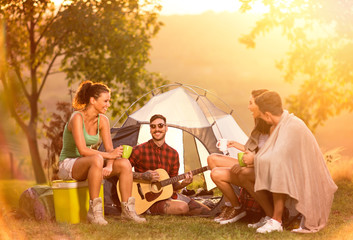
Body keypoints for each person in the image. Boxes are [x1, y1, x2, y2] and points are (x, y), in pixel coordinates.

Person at [58, 80, 146, 225]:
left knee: (124, 163)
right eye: (105, 101)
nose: (108, 104)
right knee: (97, 158)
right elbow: (83, 150)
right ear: (92, 100)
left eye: (109, 101)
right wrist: (107, 156)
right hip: (69, 165)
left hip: (92, 164)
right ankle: (95, 213)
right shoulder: (77, 117)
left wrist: (110, 165)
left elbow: (110, 149)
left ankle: (128, 211)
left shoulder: (103, 120)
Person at [249, 91, 338, 233]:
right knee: (273, 167)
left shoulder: (292, 126)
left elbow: (278, 158)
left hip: (310, 178)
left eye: (261, 115)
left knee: (277, 167)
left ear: (267, 115)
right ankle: (273, 216)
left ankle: (276, 221)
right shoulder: (280, 124)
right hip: (298, 173)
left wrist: (254, 159)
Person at [207, 89, 272, 225]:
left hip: (259, 167)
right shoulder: (259, 125)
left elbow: (268, 157)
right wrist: (234, 144)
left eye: (251, 103)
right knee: (212, 158)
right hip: (252, 163)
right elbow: (253, 148)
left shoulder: (272, 126)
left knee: (216, 173)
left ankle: (237, 208)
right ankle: (230, 204)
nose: (248, 107)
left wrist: (246, 163)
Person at [129, 114, 210, 215]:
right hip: (146, 199)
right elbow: (122, 173)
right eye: (153, 126)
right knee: (182, 207)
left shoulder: (173, 154)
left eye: (160, 125)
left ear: (166, 128)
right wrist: (143, 176)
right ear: (150, 129)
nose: (157, 129)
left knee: (206, 211)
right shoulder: (138, 150)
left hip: (167, 196)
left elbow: (173, 185)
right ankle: (147, 209)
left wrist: (183, 184)